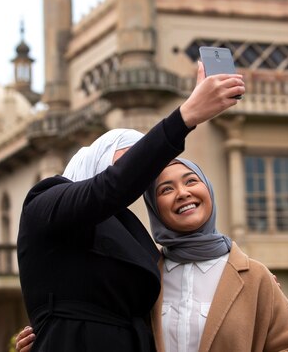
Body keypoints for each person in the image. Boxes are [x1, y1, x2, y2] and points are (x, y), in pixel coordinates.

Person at [17, 62, 244, 352]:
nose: (140, 174)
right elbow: (111, 187)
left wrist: (241, 279)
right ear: (101, 157)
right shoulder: (46, 201)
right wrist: (185, 117)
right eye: (130, 162)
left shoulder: (129, 231)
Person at [17, 157, 288, 352]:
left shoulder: (253, 276)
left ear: (208, 190)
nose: (182, 193)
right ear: (154, 209)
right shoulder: (142, 278)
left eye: (191, 181)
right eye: (165, 189)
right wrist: (48, 337)